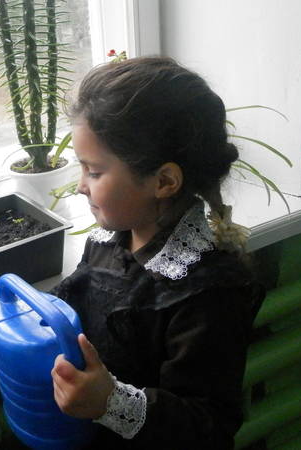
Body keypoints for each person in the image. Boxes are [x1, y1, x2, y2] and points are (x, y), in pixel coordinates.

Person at [45, 56, 264, 449]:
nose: (80, 186)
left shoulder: (207, 291)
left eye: (94, 172)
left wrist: (111, 403)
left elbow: (209, 426)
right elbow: (78, 300)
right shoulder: (108, 239)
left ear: (163, 181)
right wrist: (28, 312)